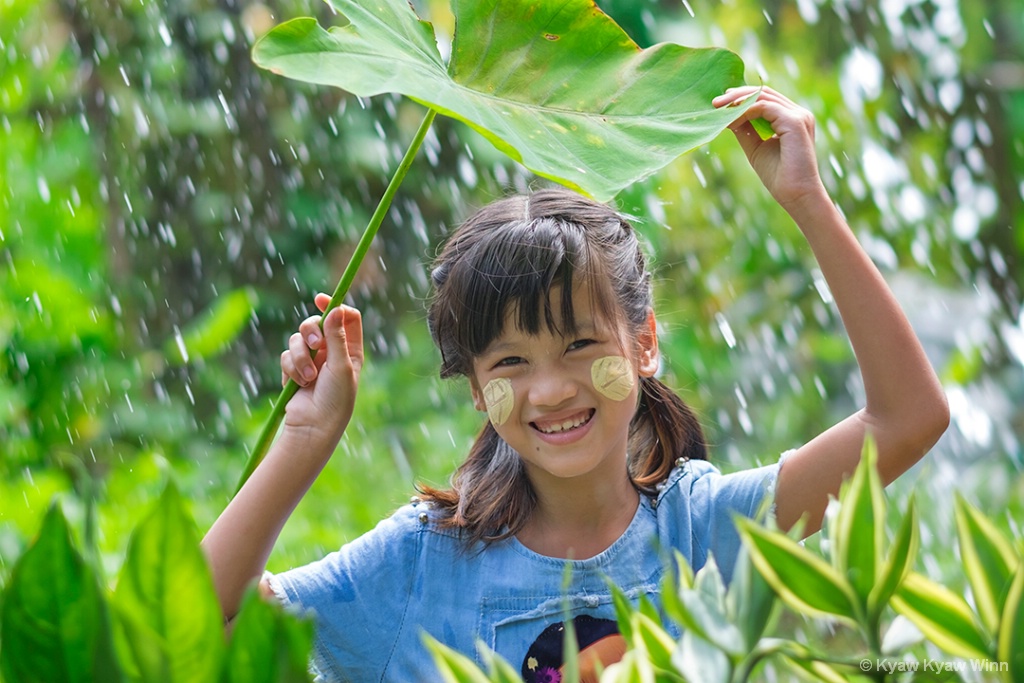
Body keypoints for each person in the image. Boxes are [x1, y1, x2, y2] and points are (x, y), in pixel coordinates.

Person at [201, 87, 949, 681]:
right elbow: (199, 626)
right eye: (510, 363)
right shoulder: (421, 561)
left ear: (646, 341)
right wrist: (304, 439)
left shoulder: (705, 529)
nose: (550, 390)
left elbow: (907, 418)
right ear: (474, 388)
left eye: (580, 345)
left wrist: (807, 203)